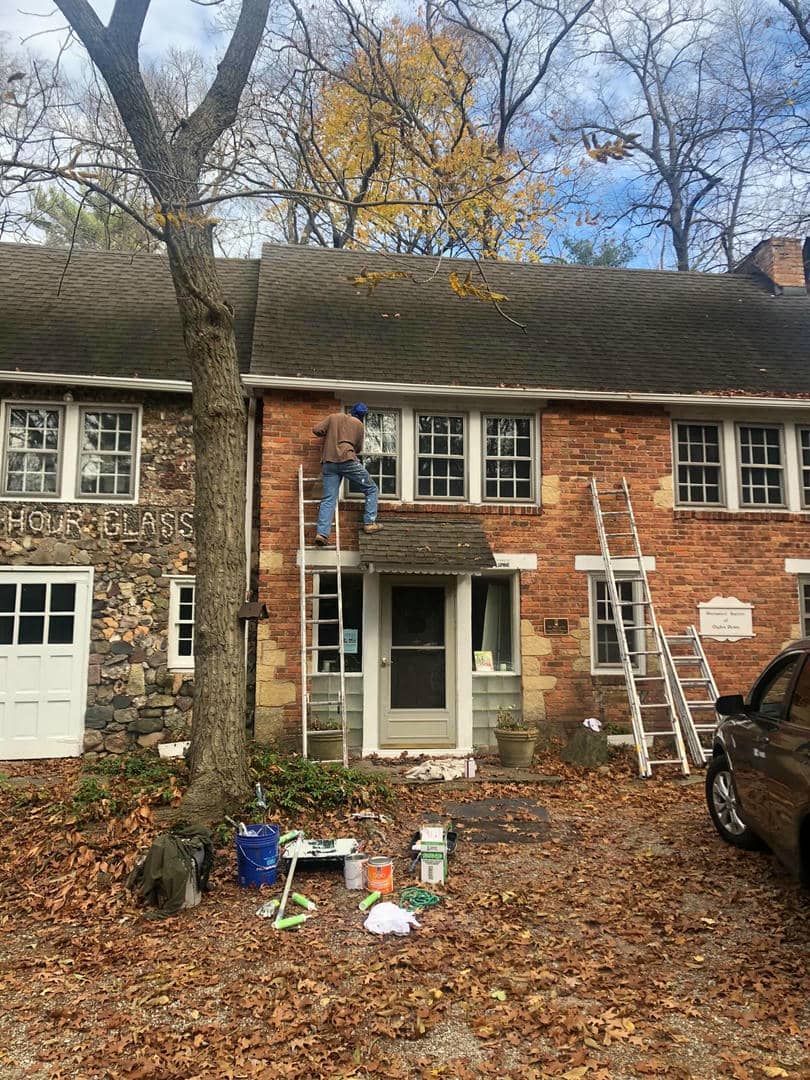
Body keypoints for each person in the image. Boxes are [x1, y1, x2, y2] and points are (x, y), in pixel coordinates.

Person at [312, 403, 382, 546]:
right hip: (347, 461)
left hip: (329, 462)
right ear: (362, 416)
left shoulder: (333, 417)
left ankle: (322, 534)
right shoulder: (359, 425)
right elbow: (358, 448)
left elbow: (316, 430)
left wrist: (329, 433)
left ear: (351, 410)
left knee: (329, 498)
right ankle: (369, 523)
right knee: (371, 488)